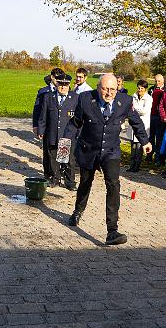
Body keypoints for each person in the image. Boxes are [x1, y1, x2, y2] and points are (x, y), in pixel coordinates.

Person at [65, 73, 151, 245]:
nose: (109, 93)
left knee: (113, 185)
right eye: (105, 89)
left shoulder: (125, 101)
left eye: (112, 89)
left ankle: (112, 230)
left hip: (111, 150)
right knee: (85, 182)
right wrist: (65, 142)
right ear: (98, 88)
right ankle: (77, 211)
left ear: (117, 88)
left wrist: (145, 141)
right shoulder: (85, 99)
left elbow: (136, 122)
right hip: (89, 148)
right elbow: (75, 123)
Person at [37, 72, 79, 189]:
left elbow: (79, 118)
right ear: (56, 84)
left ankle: (69, 181)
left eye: (65, 84)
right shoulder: (48, 97)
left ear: (69, 85)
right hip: (52, 133)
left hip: (68, 135)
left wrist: (79, 133)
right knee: (53, 158)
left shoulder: (75, 98)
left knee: (68, 160)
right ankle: (55, 178)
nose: (63, 87)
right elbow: (43, 116)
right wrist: (41, 130)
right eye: (60, 84)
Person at [32, 68, 65, 179]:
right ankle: (48, 173)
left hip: (60, 124)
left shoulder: (65, 91)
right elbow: (37, 109)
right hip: (47, 124)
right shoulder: (43, 92)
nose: (58, 81)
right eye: (56, 78)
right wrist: (36, 125)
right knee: (48, 151)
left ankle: (59, 173)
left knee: (61, 150)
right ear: (51, 77)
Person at [126, 79, 152, 172]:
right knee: (133, 147)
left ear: (145, 89)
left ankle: (137, 166)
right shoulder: (133, 97)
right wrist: (134, 110)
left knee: (139, 147)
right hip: (133, 125)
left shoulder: (149, 98)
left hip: (142, 125)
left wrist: (134, 109)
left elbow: (144, 111)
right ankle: (131, 165)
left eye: (142, 88)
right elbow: (129, 108)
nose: (140, 90)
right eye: (139, 88)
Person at [148, 73, 165, 164]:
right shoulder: (151, 89)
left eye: (159, 81)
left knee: (159, 138)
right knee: (150, 137)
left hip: (160, 117)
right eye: (156, 81)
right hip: (151, 115)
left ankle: (158, 157)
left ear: (162, 81)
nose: (157, 83)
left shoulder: (165, 90)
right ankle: (149, 155)